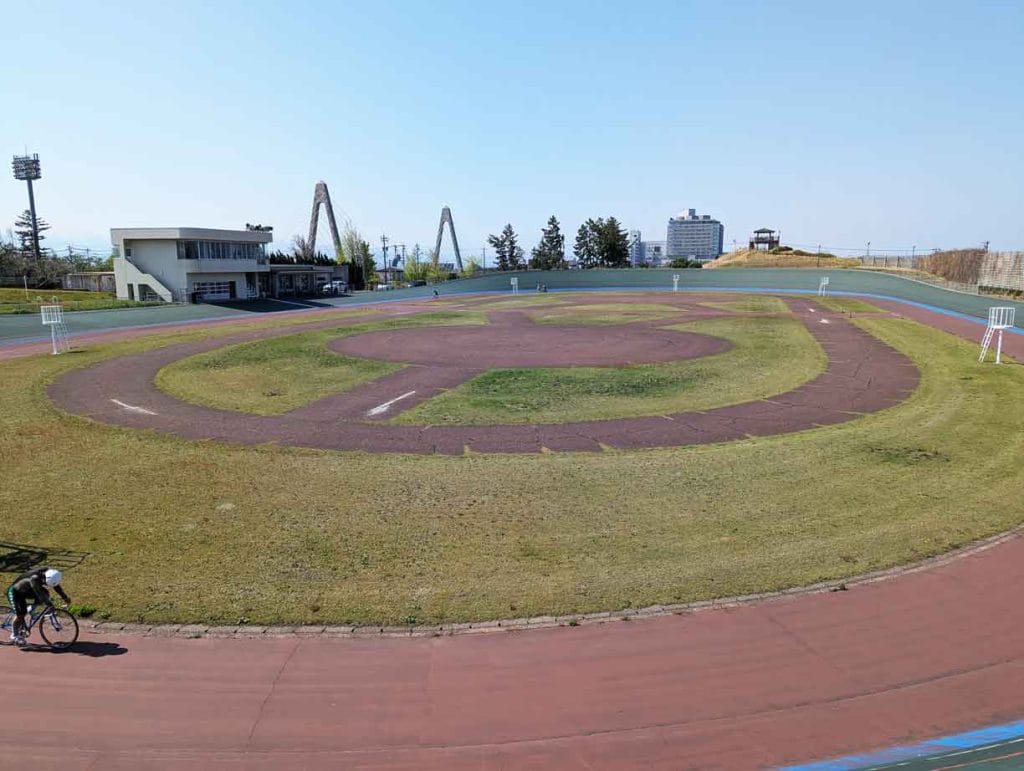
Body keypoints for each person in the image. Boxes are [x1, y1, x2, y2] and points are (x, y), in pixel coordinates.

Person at [6, 567, 70, 646]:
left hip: (27, 590)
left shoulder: (50, 574)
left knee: (46, 593)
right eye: (46, 583)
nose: (46, 584)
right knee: (21, 614)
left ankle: (31, 611)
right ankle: (14, 635)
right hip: (15, 592)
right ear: (44, 578)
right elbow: (40, 595)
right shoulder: (34, 579)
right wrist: (50, 605)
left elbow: (56, 586)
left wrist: (65, 597)